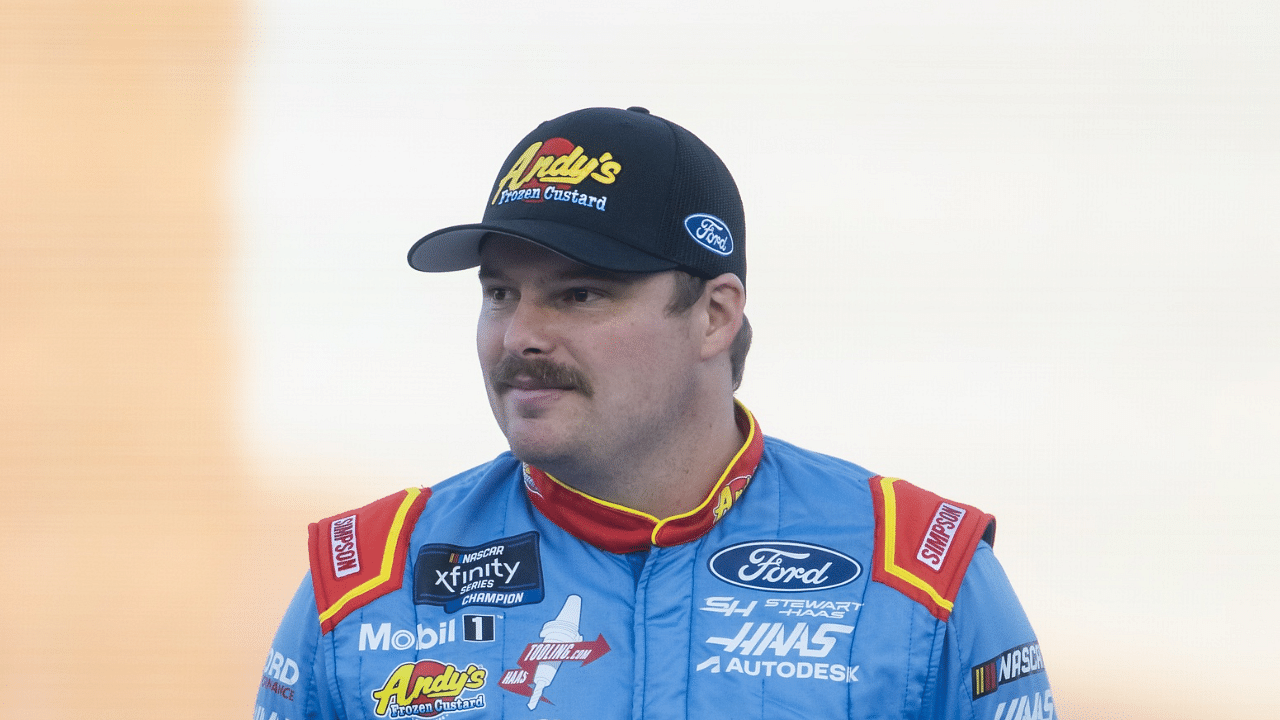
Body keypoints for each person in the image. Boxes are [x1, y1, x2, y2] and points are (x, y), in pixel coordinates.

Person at [255, 106, 1054, 720]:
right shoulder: (365, 583)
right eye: (501, 293)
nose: (522, 335)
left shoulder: (919, 574)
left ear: (714, 316)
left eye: (579, 294)